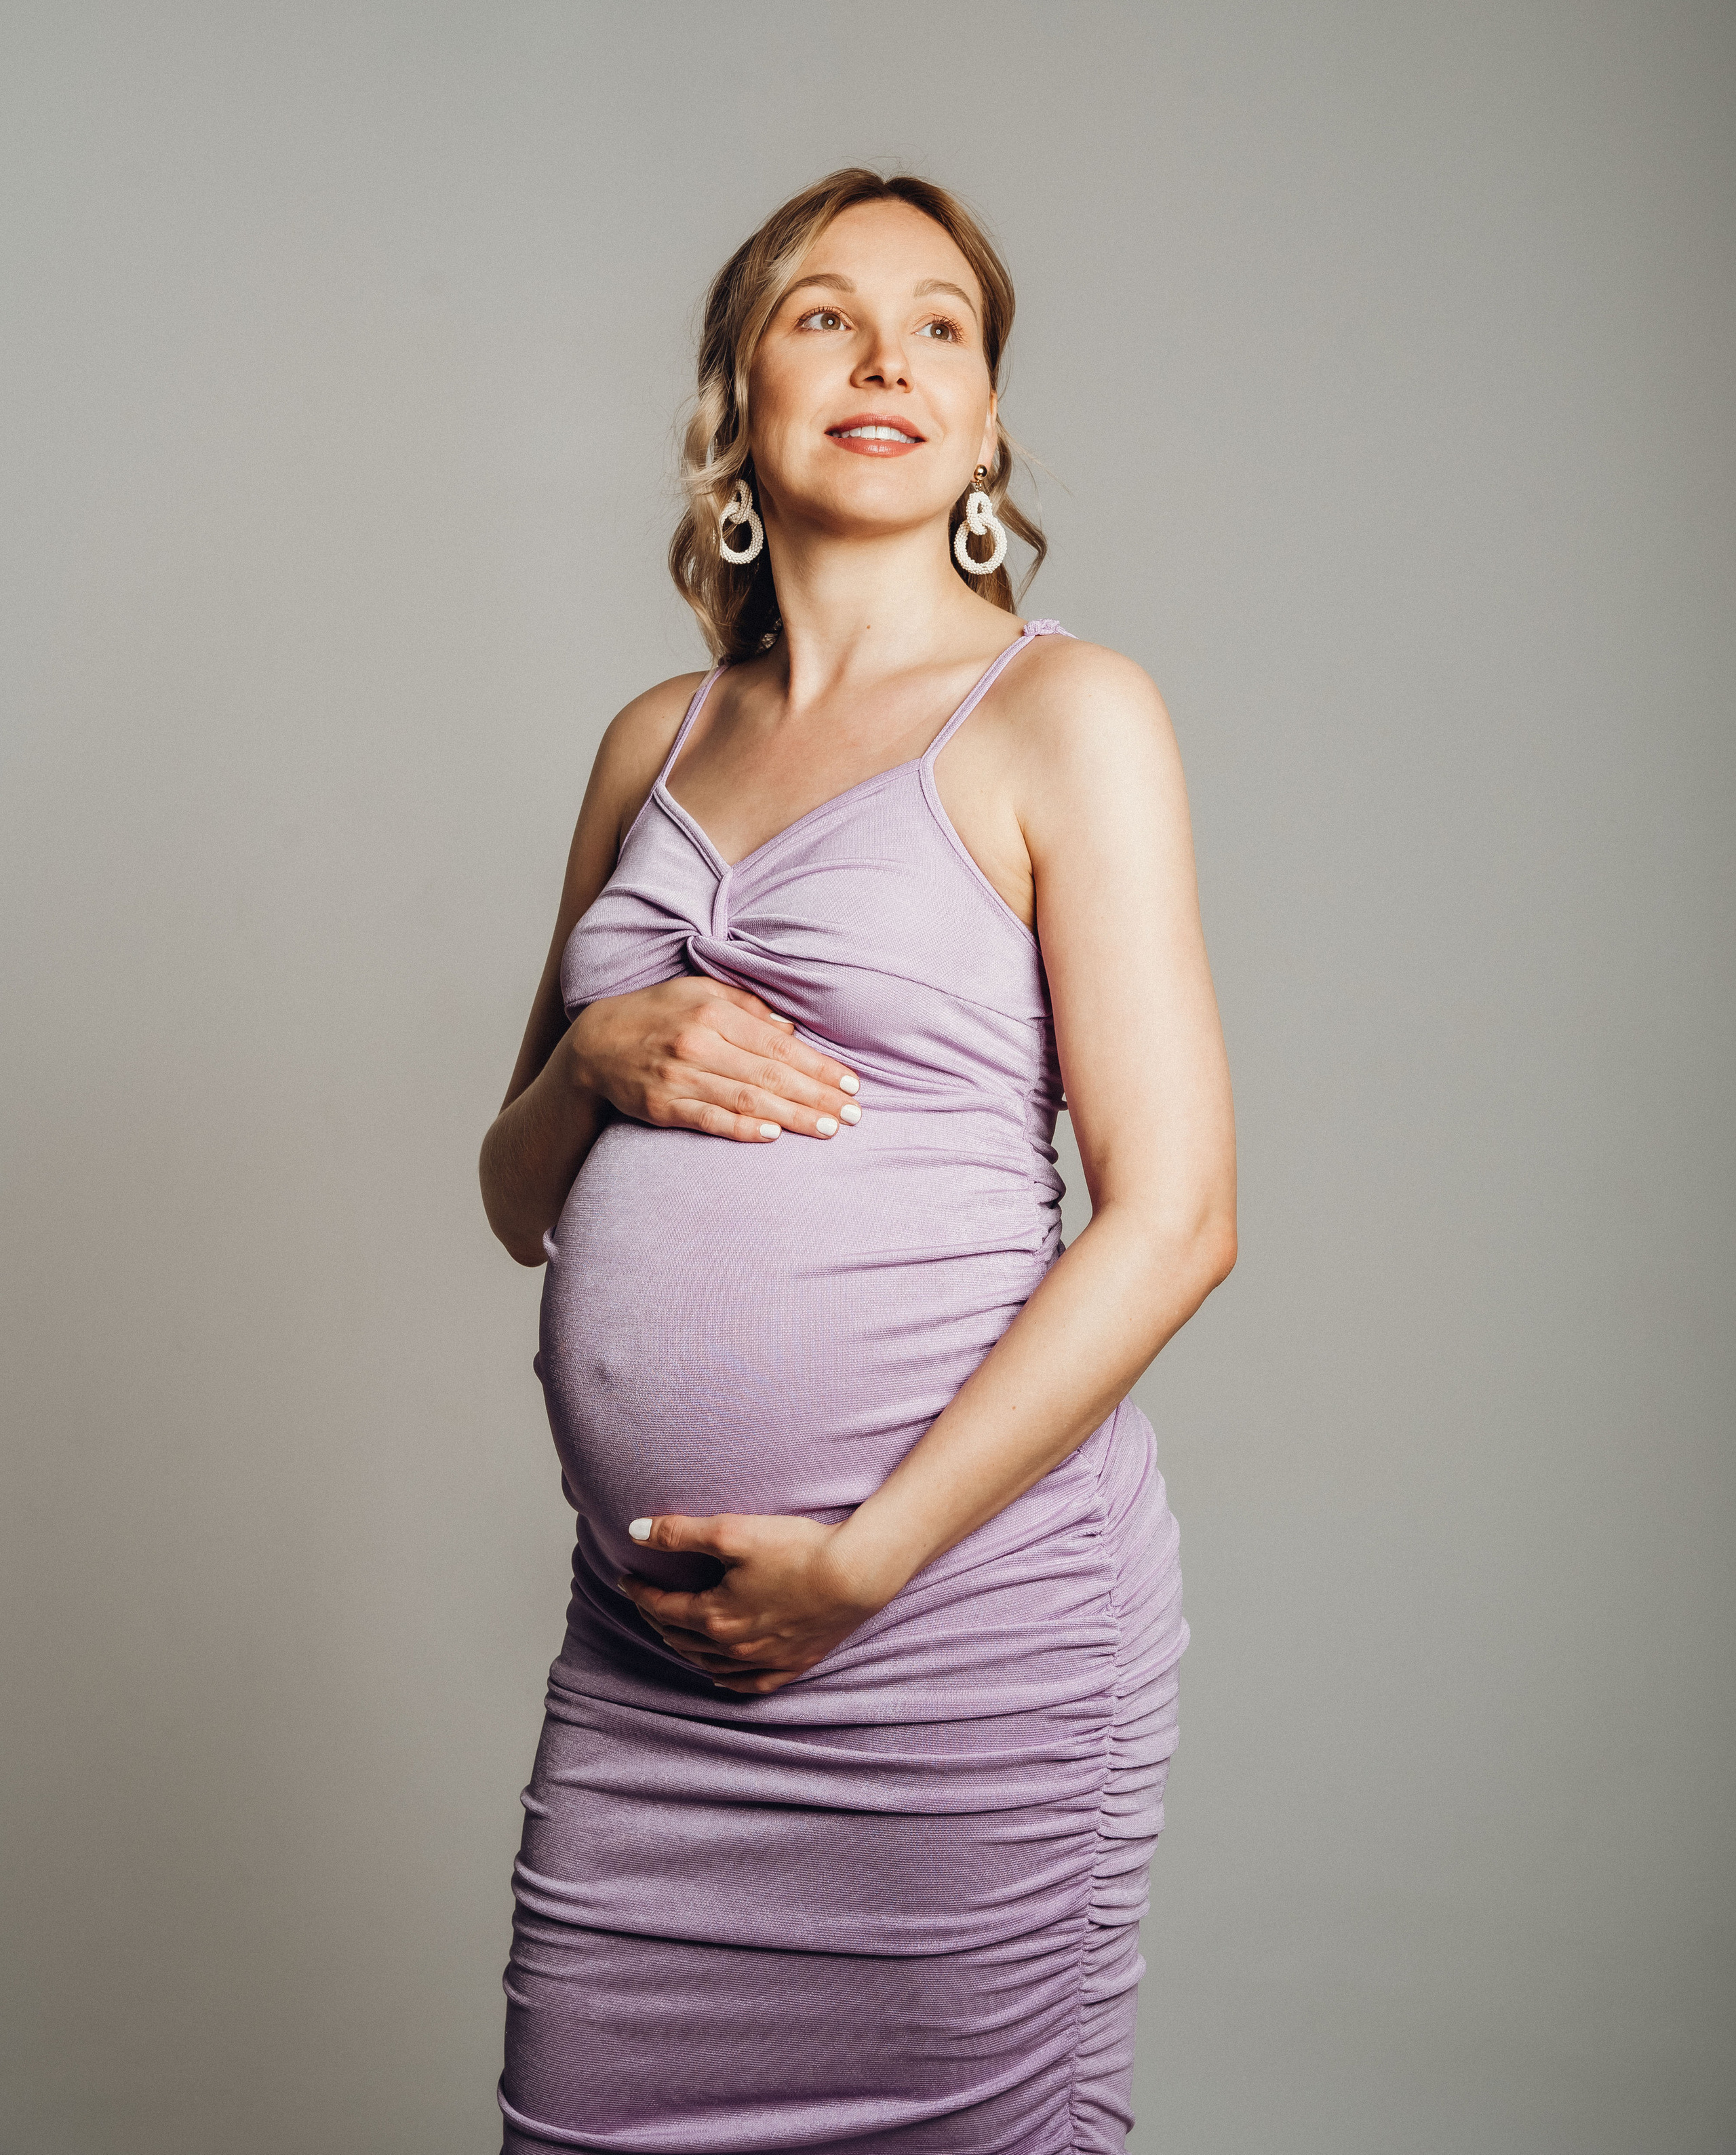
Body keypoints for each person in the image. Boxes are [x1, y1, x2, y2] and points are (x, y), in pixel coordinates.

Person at [477, 166, 1237, 2154]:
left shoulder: (1064, 714)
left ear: (987, 425)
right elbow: (510, 1197)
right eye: (823, 314)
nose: (886, 354)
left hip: (950, 1635)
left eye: (942, 326)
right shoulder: (652, 741)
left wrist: (865, 1570)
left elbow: (1177, 1221)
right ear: (739, 398)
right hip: (649, 1670)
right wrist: (599, 1058)